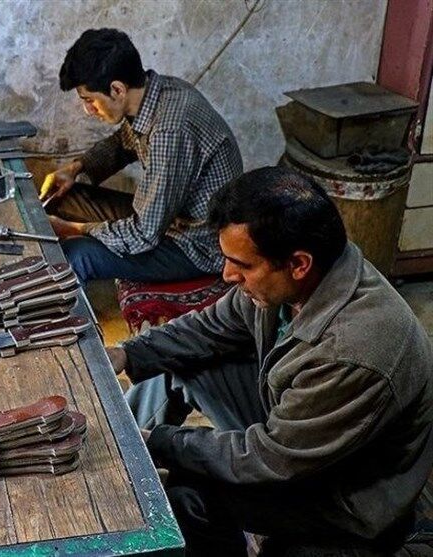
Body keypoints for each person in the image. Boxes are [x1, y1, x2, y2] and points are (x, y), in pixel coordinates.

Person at [106, 166, 433, 556]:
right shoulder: (296, 280)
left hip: (342, 497)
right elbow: (208, 328)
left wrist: (161, 443)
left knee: (189, 497)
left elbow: (272, 457)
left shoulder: (354, 350)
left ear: (298, 264)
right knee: (174, 361)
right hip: (299, 430)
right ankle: (118, 463)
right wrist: (127, 353)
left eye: (242, 265)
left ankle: (137, 460)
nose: (228, 275)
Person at [40, 28, 242, 284]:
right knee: (63, 196)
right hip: (167, 218)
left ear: (117, 89)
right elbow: (123, 143)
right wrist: (75, 168)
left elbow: (144, 233)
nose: (88, 110)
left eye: (90, 100)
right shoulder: (157, 92)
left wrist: (74, 230)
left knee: (77, 254)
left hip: (193, 244)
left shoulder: (170, 129)